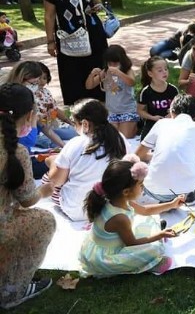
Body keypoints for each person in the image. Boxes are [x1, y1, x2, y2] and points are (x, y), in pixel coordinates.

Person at [0, 83, 56, 310]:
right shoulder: (16, 152)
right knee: (44, 221)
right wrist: (45, 190)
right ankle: (12, 289)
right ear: (31, 115)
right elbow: (28, 199)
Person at [79, 158, 184, 277]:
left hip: (107, 243)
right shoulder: (119, 218)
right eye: (141, 185)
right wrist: (160, 235)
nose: (143, 188)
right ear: (126, 191)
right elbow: (132, 243)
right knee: (154, 248)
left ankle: (156, 238)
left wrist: (172, 204)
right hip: (106, 257)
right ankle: (153, 264)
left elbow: (145, 211)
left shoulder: (117, 200)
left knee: (148, 218)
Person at [43, 0, 109, 105]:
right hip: (67, 38)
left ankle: (100, 105)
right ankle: (77, 109)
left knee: (96, 70)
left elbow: (97, 2)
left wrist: (97, 7)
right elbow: (49, 15)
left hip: (93, 36)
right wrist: (50, 41)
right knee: (71, 75)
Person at [44, 99, 128, 221]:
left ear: (85, 124)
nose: (74, 127)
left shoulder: (75, 143)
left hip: (78, 209)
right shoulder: (119, 139)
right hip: (112, 206)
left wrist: (52, 162)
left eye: (74, 123)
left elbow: (56, 181)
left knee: (47, 178)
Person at [134, 94, 195, 204]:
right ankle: (190, 194)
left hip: (154, 192)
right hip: (186, 192)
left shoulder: (161, 124)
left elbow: (137, 155)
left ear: (171, 112)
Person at [85, 45, 138, 138]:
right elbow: (89, 86)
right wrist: (92, 74)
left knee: (125, 137)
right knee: (113, 137)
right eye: (110, 63)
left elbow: (132, 82)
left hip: (127, 110)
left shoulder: (127, 71)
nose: (113, 66)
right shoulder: (105, 72)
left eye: (116, 63)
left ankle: (134, 127)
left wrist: (119, 73)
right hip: (112, 112)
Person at [34, 62, 77, 147]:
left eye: (44, 78)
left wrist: (69, 122)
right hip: (38, 129)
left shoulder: (46, 92)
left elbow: (55, 110)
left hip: (51, 124)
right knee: (48, 142)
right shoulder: (28, 94)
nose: (41, 81)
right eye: (39, 78)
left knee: (74, 132)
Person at [137, 56, 179, 139]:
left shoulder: (173, 89)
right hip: (153, 123)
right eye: (160, 70)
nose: (164, 72)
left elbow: (178, 108)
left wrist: (172, 114)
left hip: (170, 122)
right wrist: (153, 118)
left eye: (166, 69)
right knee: (146, 142)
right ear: (150, 73)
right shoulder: (146, 92)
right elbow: (139, 110)